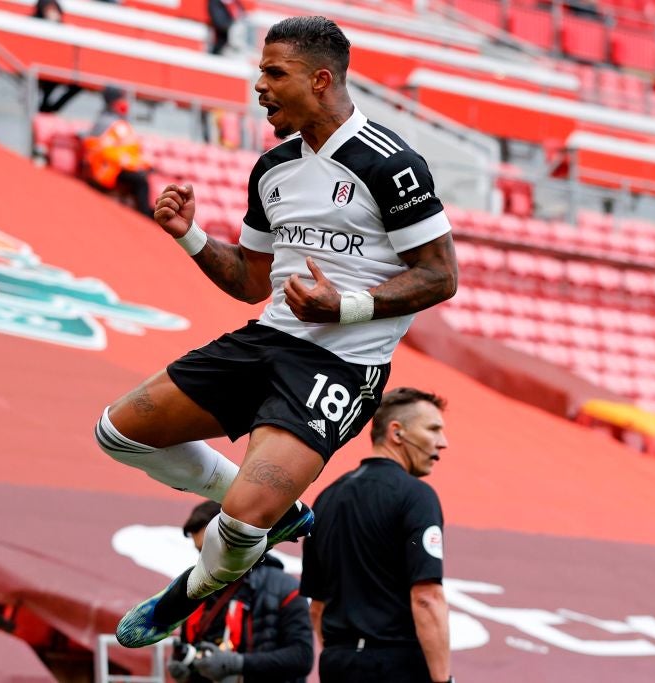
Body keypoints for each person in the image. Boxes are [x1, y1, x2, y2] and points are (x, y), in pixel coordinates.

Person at [93, 15, 458, 650]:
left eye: (273, 73)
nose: (259, 86)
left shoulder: (391, 163)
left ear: (321, 80)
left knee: (237, 527)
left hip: (341, 365)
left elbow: (440, 276)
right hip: (269, 340)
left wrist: (341, 307)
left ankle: (191, 591)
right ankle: (277, 511)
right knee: (118, 433)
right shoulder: (274, 168)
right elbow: (251, 281)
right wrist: (191, 237)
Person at [301, 387, 453, 683]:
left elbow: (317, 607)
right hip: (395, 665)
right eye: (433, 429)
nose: (442, 443)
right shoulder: (416, 496)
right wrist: (442, 680)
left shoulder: (327, 498)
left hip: (337, 663)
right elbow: (427, 597)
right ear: (397, 433)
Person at [166, 501, 313, 683]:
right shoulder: (197, 589)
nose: (206, 558)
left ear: (236, 537)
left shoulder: (286, 587)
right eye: (201, 551)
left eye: (211, 548)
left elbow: (302, 657)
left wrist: (238, 664)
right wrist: (183, 665)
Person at [82, 86, 154, 217]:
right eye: (122, 99)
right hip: (107, 170)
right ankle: (145, 215)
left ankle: (147, 212)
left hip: (119, 166)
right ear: (114, 101)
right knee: (141, 181)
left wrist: (141, 163)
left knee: (144, 175)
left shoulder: (119, 121)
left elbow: (131, 149)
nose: (125, 103)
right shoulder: (106, 122)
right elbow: (104, 151)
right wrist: (134, 164)